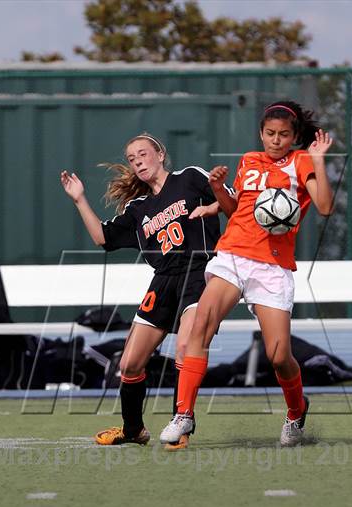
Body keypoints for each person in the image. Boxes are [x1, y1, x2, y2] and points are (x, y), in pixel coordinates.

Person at [160, 100, 334, 448]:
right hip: (233, 256)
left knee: (279, 355)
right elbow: (234, 210)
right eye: (270, 133)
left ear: (294, 136)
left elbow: (325, 206)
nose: (276, 140)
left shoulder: (301, 162)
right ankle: (184, 415)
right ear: (261, 133)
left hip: (272, 266)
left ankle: (296, 411)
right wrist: (219, 189)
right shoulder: (249, 161)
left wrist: (317, 160)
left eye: (284, 135)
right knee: (199, 326)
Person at [60, 133, 235, 448]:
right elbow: (103, 238)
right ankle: (134, 430)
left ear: (161, 154)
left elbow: (232, 204)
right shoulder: (138, 207)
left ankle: (180, 423)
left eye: (143, 153)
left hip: (199, 272)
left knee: (186, 347)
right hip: (163, 280)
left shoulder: (190, 178)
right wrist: (79, 199)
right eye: (131, 158)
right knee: (129, 364)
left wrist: (214, 205)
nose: (138, 160)